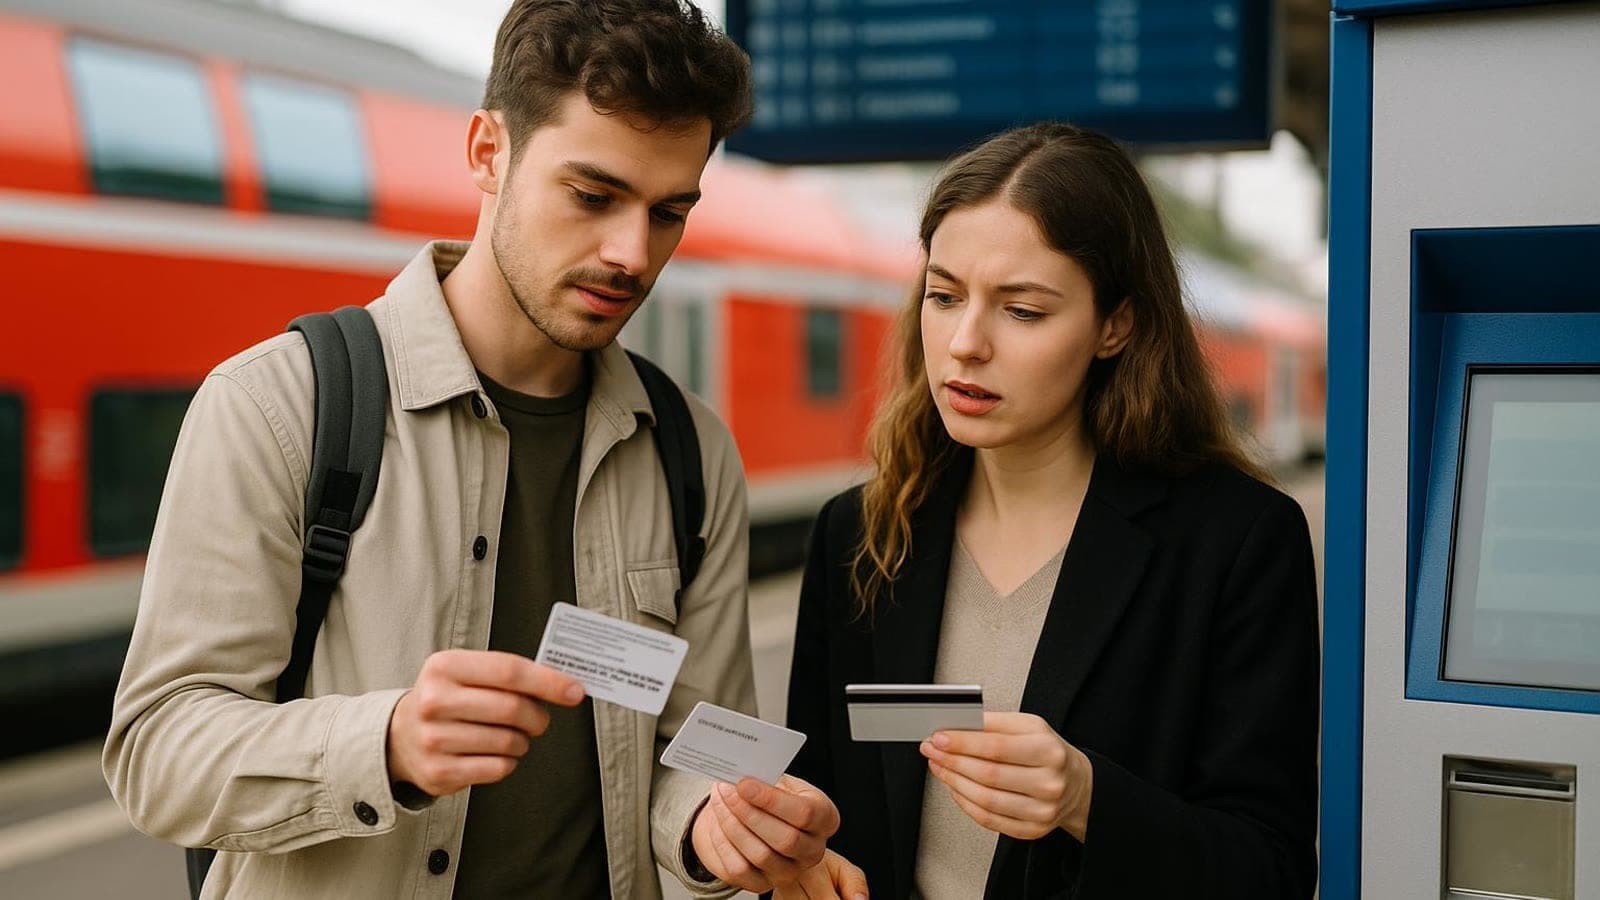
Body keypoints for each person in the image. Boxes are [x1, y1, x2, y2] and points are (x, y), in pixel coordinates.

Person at [103, 2, 841, 897]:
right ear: (489, 152)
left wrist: (718, 827)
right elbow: (157, 748)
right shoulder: (276, 404)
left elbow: (698, 748)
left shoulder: (689, 450)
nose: (631, 253)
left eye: (668, 211)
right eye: (594, 196)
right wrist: (389, 745)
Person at [779, 123, 1320, 899]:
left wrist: (1086, 799)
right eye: (943, 296)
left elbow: (1268, 869)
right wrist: (795, 858)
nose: (965, 343)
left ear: (1116, 325)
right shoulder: (859, 534)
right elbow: (821, 802)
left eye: (1023, 311)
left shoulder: (1237, 543)